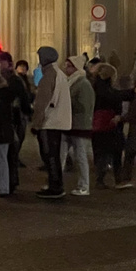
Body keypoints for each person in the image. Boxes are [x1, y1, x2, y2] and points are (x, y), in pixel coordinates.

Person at [30, 46, 71, 199]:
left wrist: (36, 122)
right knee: (53, 154)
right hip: (56, 120)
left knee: (49, 154)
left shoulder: (49, 75)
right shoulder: (58, 74)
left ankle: (55, 186)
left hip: (49, 122)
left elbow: (42, 101)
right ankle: (55, 184)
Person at [0, 50, 30, 195]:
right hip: (2, 120)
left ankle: (9, 183)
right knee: (4, 154)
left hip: (12, 120)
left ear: (9, 64)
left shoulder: (14, 80)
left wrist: (27, 114)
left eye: (0, 61)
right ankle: (7, 182)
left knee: (10, 153)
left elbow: (22, 99)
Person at [63, 57, 95, 196]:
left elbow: (84, 106)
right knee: (61, 155)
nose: (66, 68)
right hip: (69, 124)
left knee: (80, 157)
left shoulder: (83, 84)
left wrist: (66, 102)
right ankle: (56, 182)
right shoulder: (71, 81)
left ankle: (84, 186)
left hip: (80, 126)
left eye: (69, 66)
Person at [90, 63, 124, 189]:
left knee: (100, 153)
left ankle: (100, 179)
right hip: (111, 124)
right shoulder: (109, 91)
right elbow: (117, 102)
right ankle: (118, 179)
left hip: (97, 125)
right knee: (116, 153)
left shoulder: (93, 88)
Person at [12, 59, 34, 167]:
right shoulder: (16, 80)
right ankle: (14, 158)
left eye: (24, 67)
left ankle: (15, 157)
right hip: (18, 112)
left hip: (22, 112)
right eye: (20, 66)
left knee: (20, 136)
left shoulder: (27, 80)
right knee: (18, 136)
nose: (22, 69)